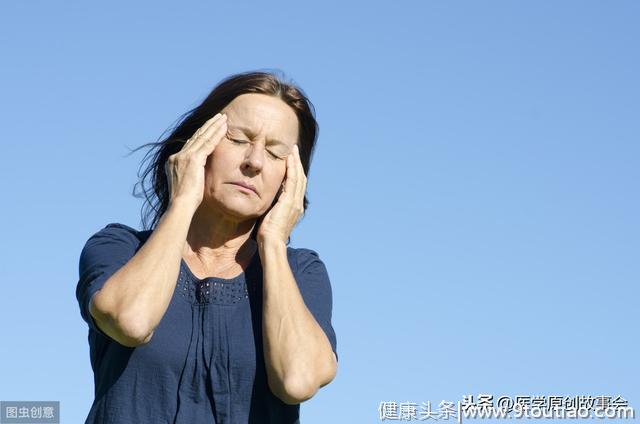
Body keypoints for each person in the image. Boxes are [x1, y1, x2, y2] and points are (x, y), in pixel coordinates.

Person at [75, 70, 338, 423]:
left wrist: (273, 244)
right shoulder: (119, 248)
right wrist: (182, 201)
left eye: (276, 154)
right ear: (197, 146)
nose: (254, 162)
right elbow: (131, 322)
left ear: (291, 178)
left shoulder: (302, 273)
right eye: (238, 138)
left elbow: (298, 380)